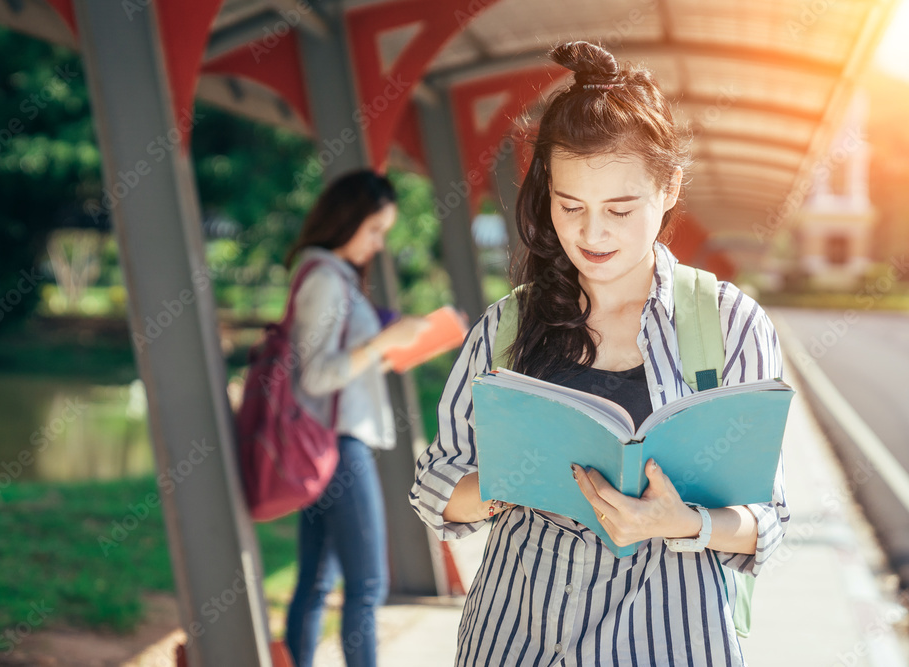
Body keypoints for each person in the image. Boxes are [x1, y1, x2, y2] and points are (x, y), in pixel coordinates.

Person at [408, 42, 788, 666]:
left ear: (669, 189)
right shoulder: (508, 325)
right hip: (516, 639)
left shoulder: (731, 326)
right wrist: (514, 480)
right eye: (569, 206)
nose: (591, 234)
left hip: (669, 642)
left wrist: (680, 523)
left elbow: (765, 521)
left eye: (619, 209)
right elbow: (435, 489)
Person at [282, 169, 431, 667]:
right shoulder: (324, 279)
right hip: (339, 446)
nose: (379, 244)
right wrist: (382, 343)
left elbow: (337, 367)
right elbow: (315, 377)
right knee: (367, 585)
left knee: (318, 581)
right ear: (345, 220)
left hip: (331, 441)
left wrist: (386, 353)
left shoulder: (333, 274)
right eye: (374, 230)